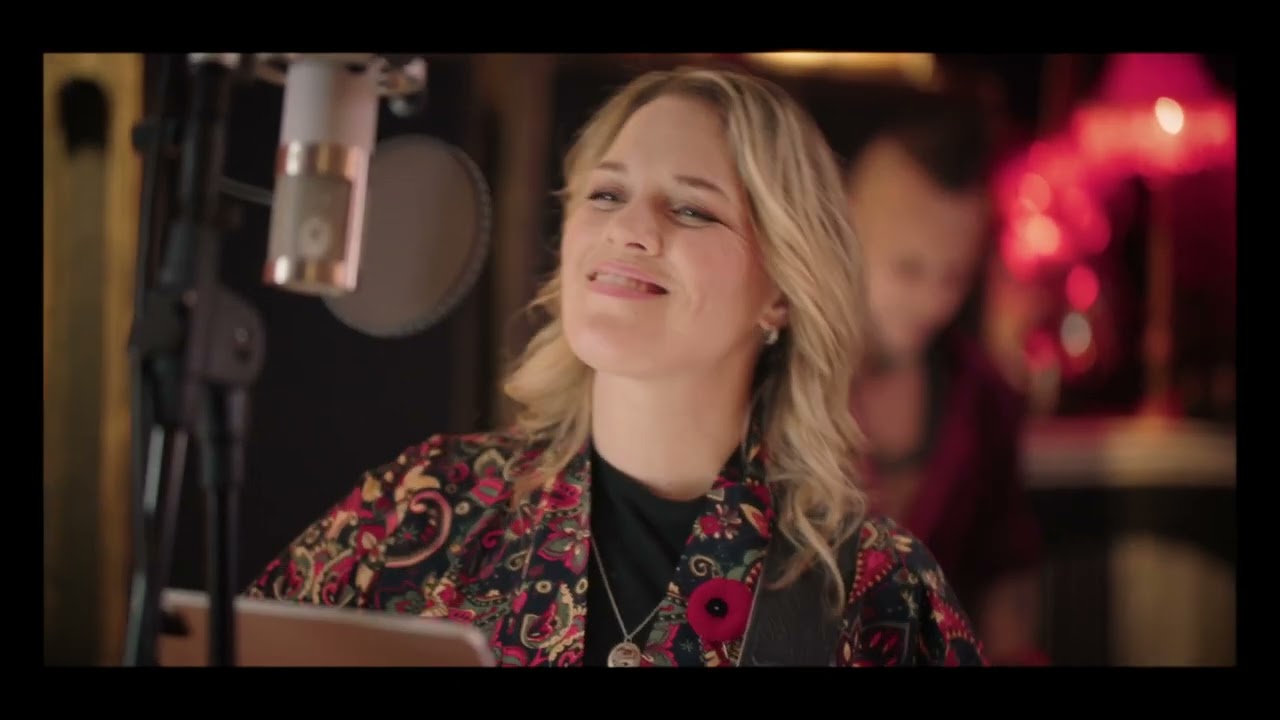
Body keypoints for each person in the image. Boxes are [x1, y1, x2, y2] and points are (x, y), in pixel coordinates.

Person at [245, 66, 987, 667]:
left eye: (691, 209)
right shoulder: (420, 509)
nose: (628, 228)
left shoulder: (879, 594)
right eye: (606, 194)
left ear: (782, 294)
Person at [839, 85, 1046, 665]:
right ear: (847, 229)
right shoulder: (771, 376)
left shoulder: (983, 396)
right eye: (908, 269)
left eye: (954, 276)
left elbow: (1005, 577)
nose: (933, 301)